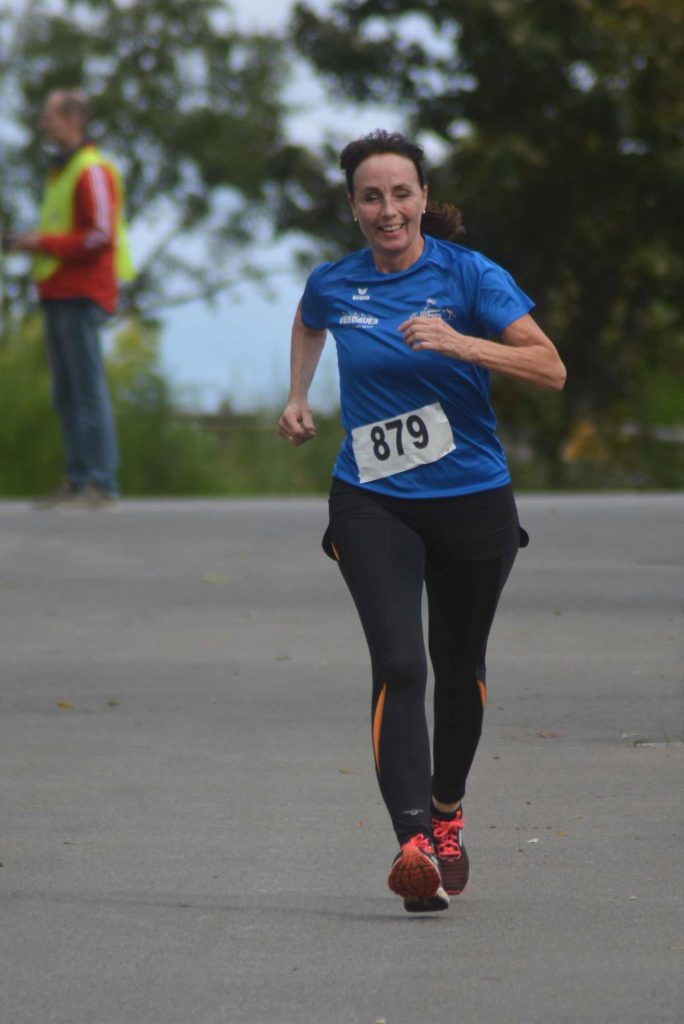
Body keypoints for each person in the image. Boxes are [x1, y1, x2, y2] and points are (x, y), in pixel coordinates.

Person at [278, 129, 566, 913]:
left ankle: (445, 812)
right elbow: (309, 318)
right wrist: (299, 394)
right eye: (371, 196)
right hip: (371, 498)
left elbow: (550, 367)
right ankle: (412, 848)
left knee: (460, 667)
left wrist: (462, 343)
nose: (388, 210)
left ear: (424, 200)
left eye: (401, 193)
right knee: (401, 664)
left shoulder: (471, 275)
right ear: (353, 206)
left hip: (473, 498)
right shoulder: (336, 283)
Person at [7, 89, 134, 509]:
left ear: (72, 119)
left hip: (82, 292)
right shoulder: (60, 171)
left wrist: (39, 243)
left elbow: (99, 234)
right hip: (58, 291)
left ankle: (100, 482)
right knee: (67, 391)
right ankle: (79, 479)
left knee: (86, 389)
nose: (44, 124)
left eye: (49, 117)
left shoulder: (90, 170)